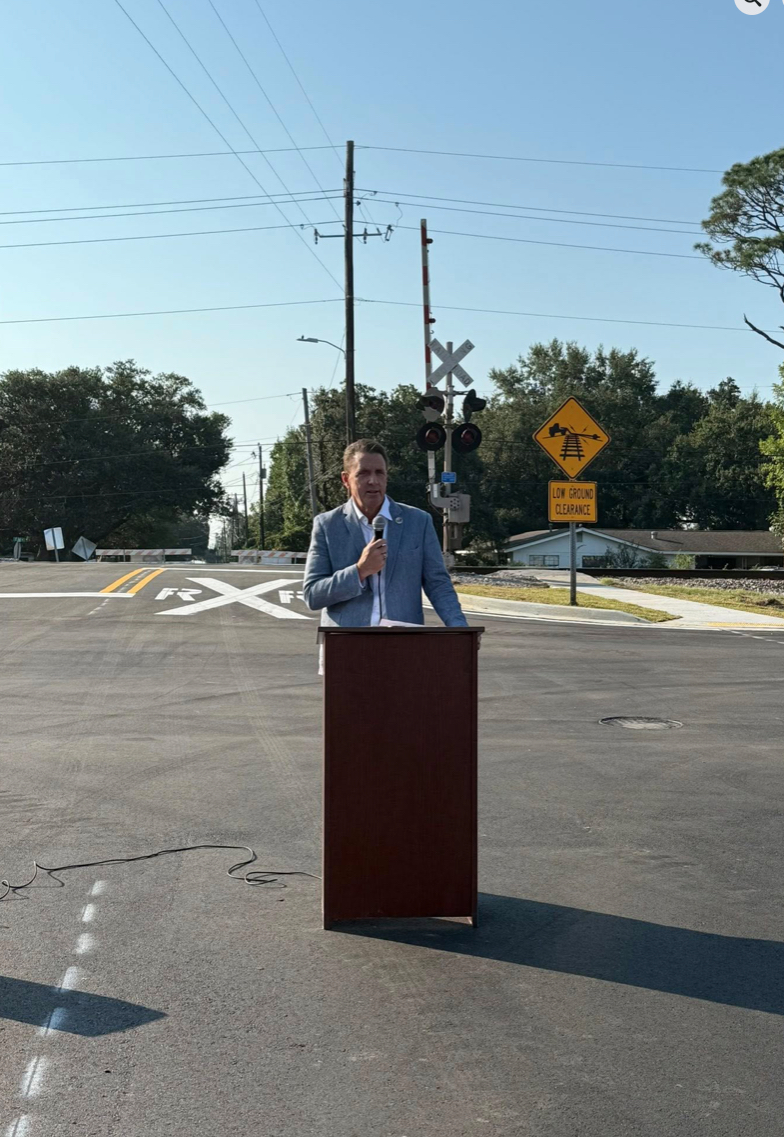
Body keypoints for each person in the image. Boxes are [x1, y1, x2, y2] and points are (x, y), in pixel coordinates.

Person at [303, 439, 468, 628]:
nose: (373, 480)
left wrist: (459, 627)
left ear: (386, 477)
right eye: (363, 473)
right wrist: (360, 571)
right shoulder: (327, 525)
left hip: (402, 643)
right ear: (346, 479)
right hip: (346, 645)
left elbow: (438, 584)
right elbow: (312, 594)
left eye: (379, 472)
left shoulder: (418, 522)